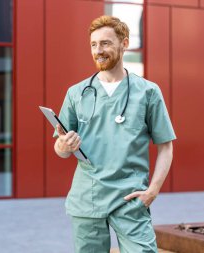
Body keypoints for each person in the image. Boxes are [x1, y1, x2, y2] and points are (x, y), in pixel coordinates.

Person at [53, 15, 176, 253]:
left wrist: (153, 191)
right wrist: (64, 146)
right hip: (87, 198)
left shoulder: (148, 92)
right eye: (93, 44)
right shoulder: (77, 93)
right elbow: (60, 150)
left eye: (106, 43)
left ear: (124, 44)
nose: (98, 50)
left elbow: (166, 146)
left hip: (130, 199)